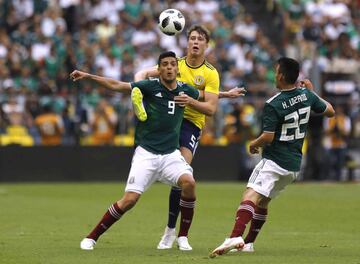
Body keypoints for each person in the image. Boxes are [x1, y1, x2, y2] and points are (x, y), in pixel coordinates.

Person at [70, 51, 202, 251]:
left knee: (189, 183)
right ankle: (92, 237)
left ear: (177, 69)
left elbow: (208, 97)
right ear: (158, 70)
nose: (168, 67)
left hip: (171, 155)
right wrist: (89, 76)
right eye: (164, 64)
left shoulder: (186, 90)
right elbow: (117, 85)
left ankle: (182, 237)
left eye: (172, 64)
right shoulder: (150, 86)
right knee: (129, 200)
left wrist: (226, 94)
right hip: (146, 153)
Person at [134, 24, 246, 250]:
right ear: (187, 42)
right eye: (192, 38)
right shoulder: (175, 64)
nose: (195, 42)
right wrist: (137, 89)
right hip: (168, 121)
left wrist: (192, 101)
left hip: (191, 124)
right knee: (174, 175)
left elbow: (211, 108)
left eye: (200, 39)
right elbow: (143, 74)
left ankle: (177, 233)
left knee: (184, 174)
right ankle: (170, 232)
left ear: (206, 44)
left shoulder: (210, 73)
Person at [209, 57, 335, 258]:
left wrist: (254, 144)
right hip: (294, 166)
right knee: (263, 201)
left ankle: (235, 236)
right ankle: (249, 243)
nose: (274, 75)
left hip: (275, 160)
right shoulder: (307, 95)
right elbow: (330, 111)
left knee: (250, 195)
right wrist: (312, 93)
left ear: (282, 76)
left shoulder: (273, 104)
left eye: (276, 71)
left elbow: (268, 137)